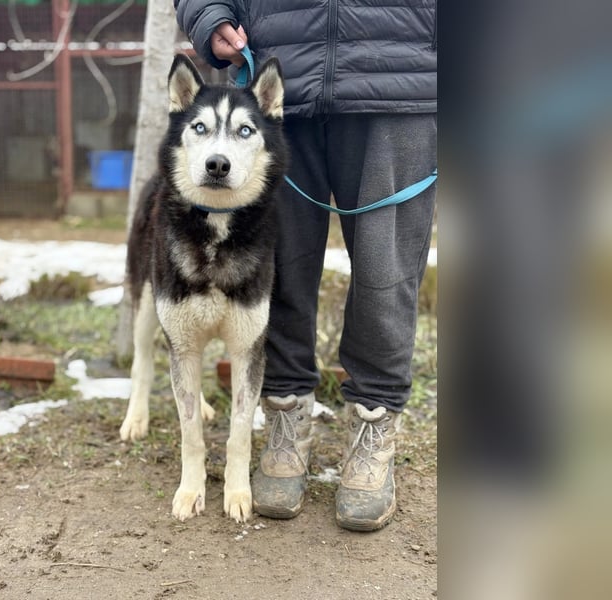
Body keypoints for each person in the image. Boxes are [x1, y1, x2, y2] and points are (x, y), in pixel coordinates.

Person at [174, 1, 437, 531]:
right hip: (280, 77)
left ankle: (375, 419)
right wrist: (210, 13)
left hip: (401, 73)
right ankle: (284, 412)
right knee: (277, 268)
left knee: (386, 272)